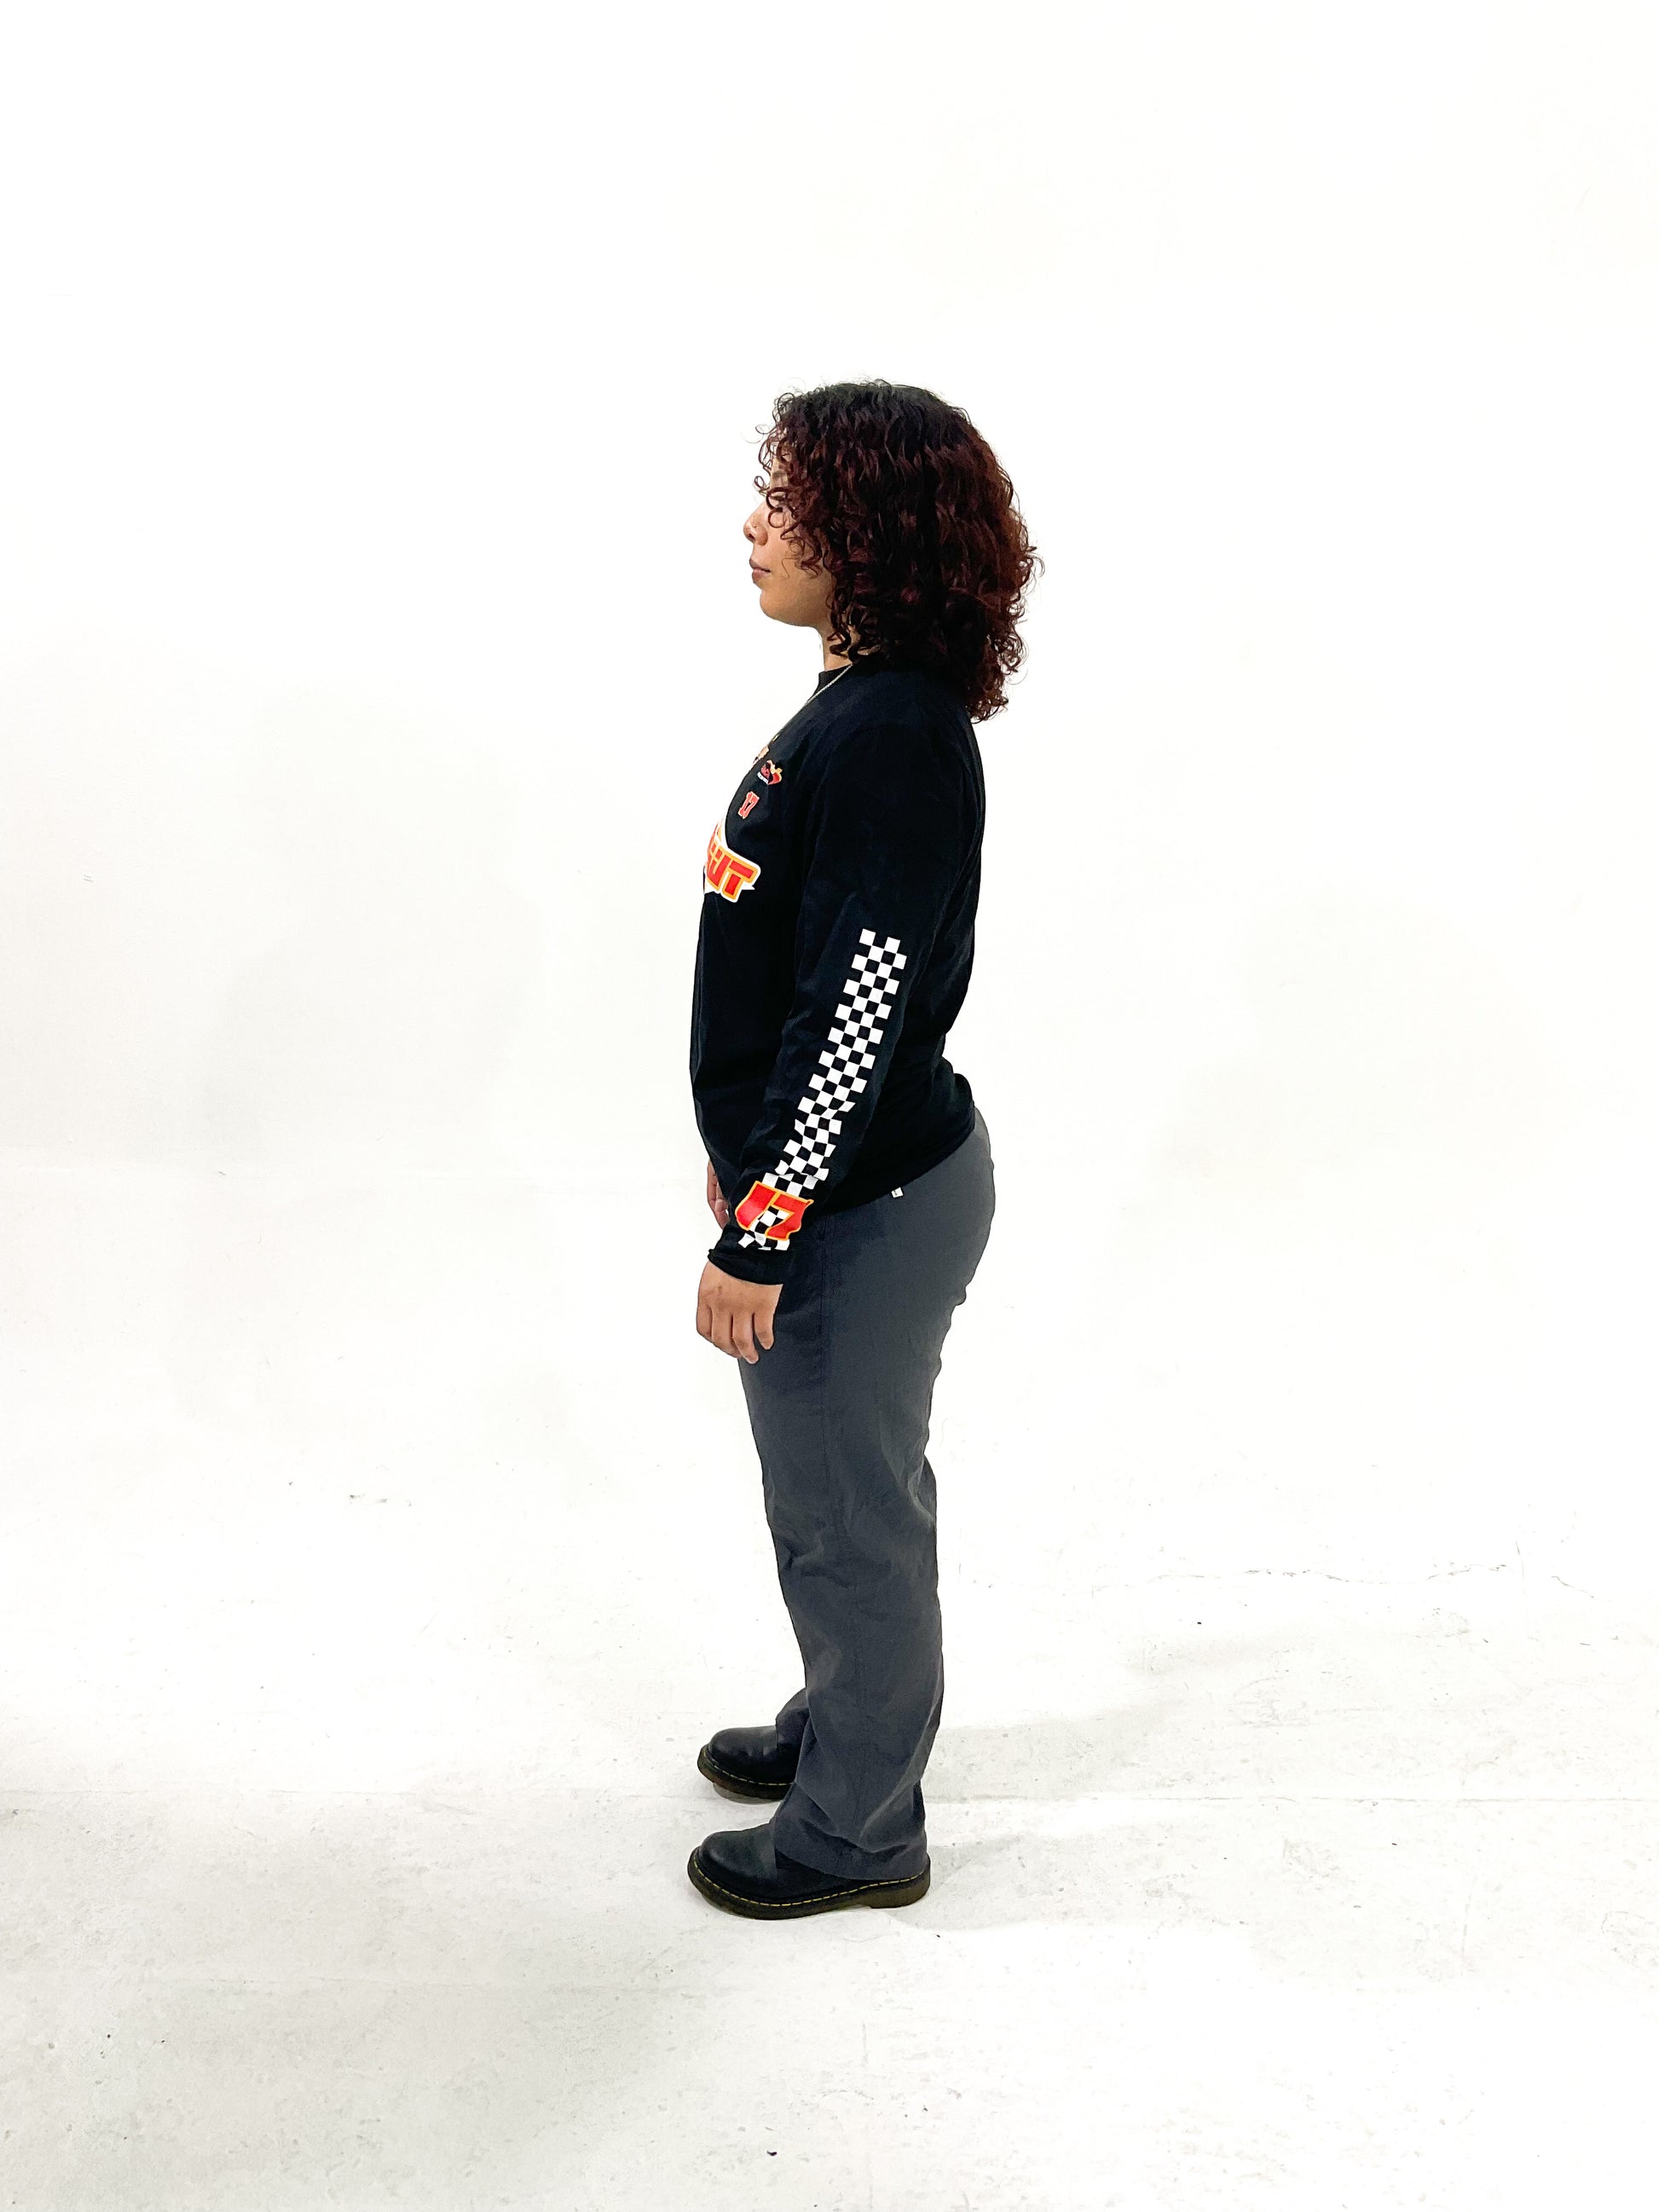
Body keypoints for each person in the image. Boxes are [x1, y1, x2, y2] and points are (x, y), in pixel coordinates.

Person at [685, 379, 1040, 1920]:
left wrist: (763, 1224)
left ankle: (857, 1829)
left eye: (791, 504)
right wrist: (748, 1155)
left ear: (871, 533)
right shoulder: (863, 709)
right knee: (829, 1498)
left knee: (847, 1516)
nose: (754, 526)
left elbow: (857, 1009)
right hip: (839, 1179)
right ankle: (846, 1720)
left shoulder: (893, 733)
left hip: (863, 1204)